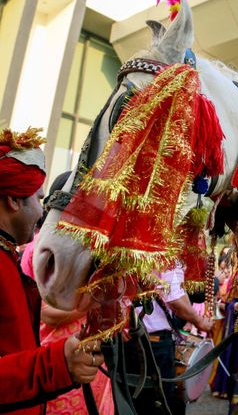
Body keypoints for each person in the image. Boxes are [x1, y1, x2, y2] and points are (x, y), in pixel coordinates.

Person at [0, 127, 104, 414]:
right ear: (13, 201)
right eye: (39, 199)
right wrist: (59, 364)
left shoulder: (7, 256)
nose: (41, 211)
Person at [124, 265, 214, 415]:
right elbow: (175, 300)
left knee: (135, 403)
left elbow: (177, 294)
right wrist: (199, 321)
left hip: (132, 341)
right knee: (159, 405)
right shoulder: (168, 254)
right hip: (155, 345)